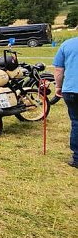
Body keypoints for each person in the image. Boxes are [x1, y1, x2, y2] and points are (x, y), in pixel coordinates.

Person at [53, 37, 78, 169]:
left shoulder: (67, 44)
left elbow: (58, 70)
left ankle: (77, 158)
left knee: (76, 122)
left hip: (71, 90)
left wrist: (58, 86)